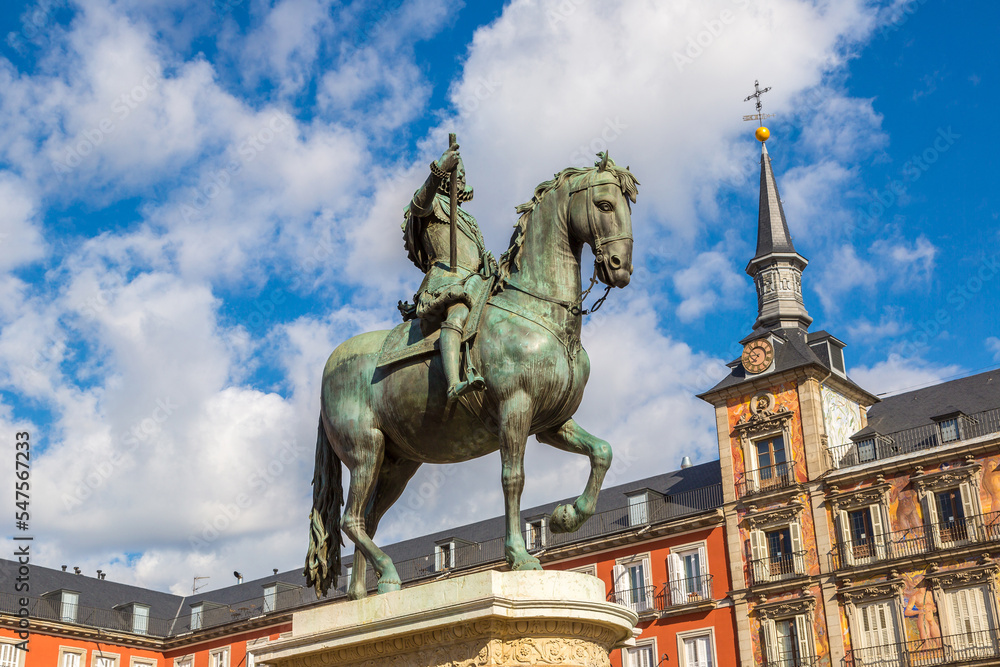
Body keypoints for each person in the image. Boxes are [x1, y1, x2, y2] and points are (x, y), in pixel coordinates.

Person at [401, 142, 491, 404]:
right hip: (446, 280)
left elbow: (477, 257)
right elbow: (418, 205)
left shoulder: (470, 220)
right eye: (457, 172)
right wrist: (439, 169)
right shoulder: (433, 204)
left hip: (477, 281)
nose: (461, 177)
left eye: (463, 174)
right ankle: (453, 383)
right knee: (459, 309)